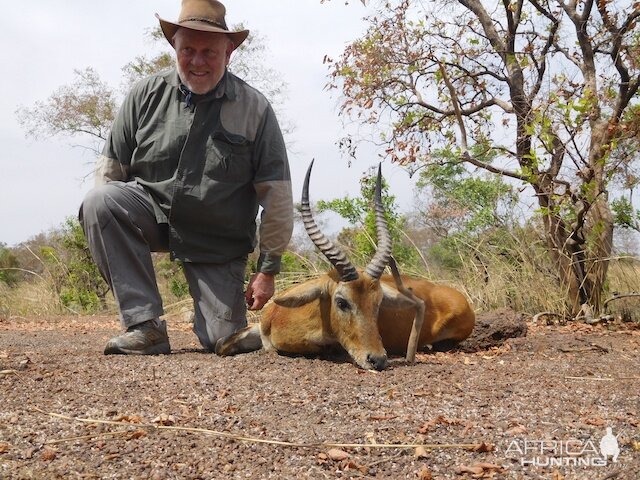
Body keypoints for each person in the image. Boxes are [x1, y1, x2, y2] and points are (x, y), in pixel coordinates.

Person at [79, 0, 293, 355]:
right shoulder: (143, 95)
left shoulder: (255, 108)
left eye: (209, 51)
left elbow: (278, 196)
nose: (197, 61)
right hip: (153, 215)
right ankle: (145, 327)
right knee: (99, 201)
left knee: (224, 341)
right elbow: (109, 175)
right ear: (174, 48)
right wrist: (108, 238)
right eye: (188, 50)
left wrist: (267, 270)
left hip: (217, 240)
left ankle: (221, 318)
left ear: (229, 53)